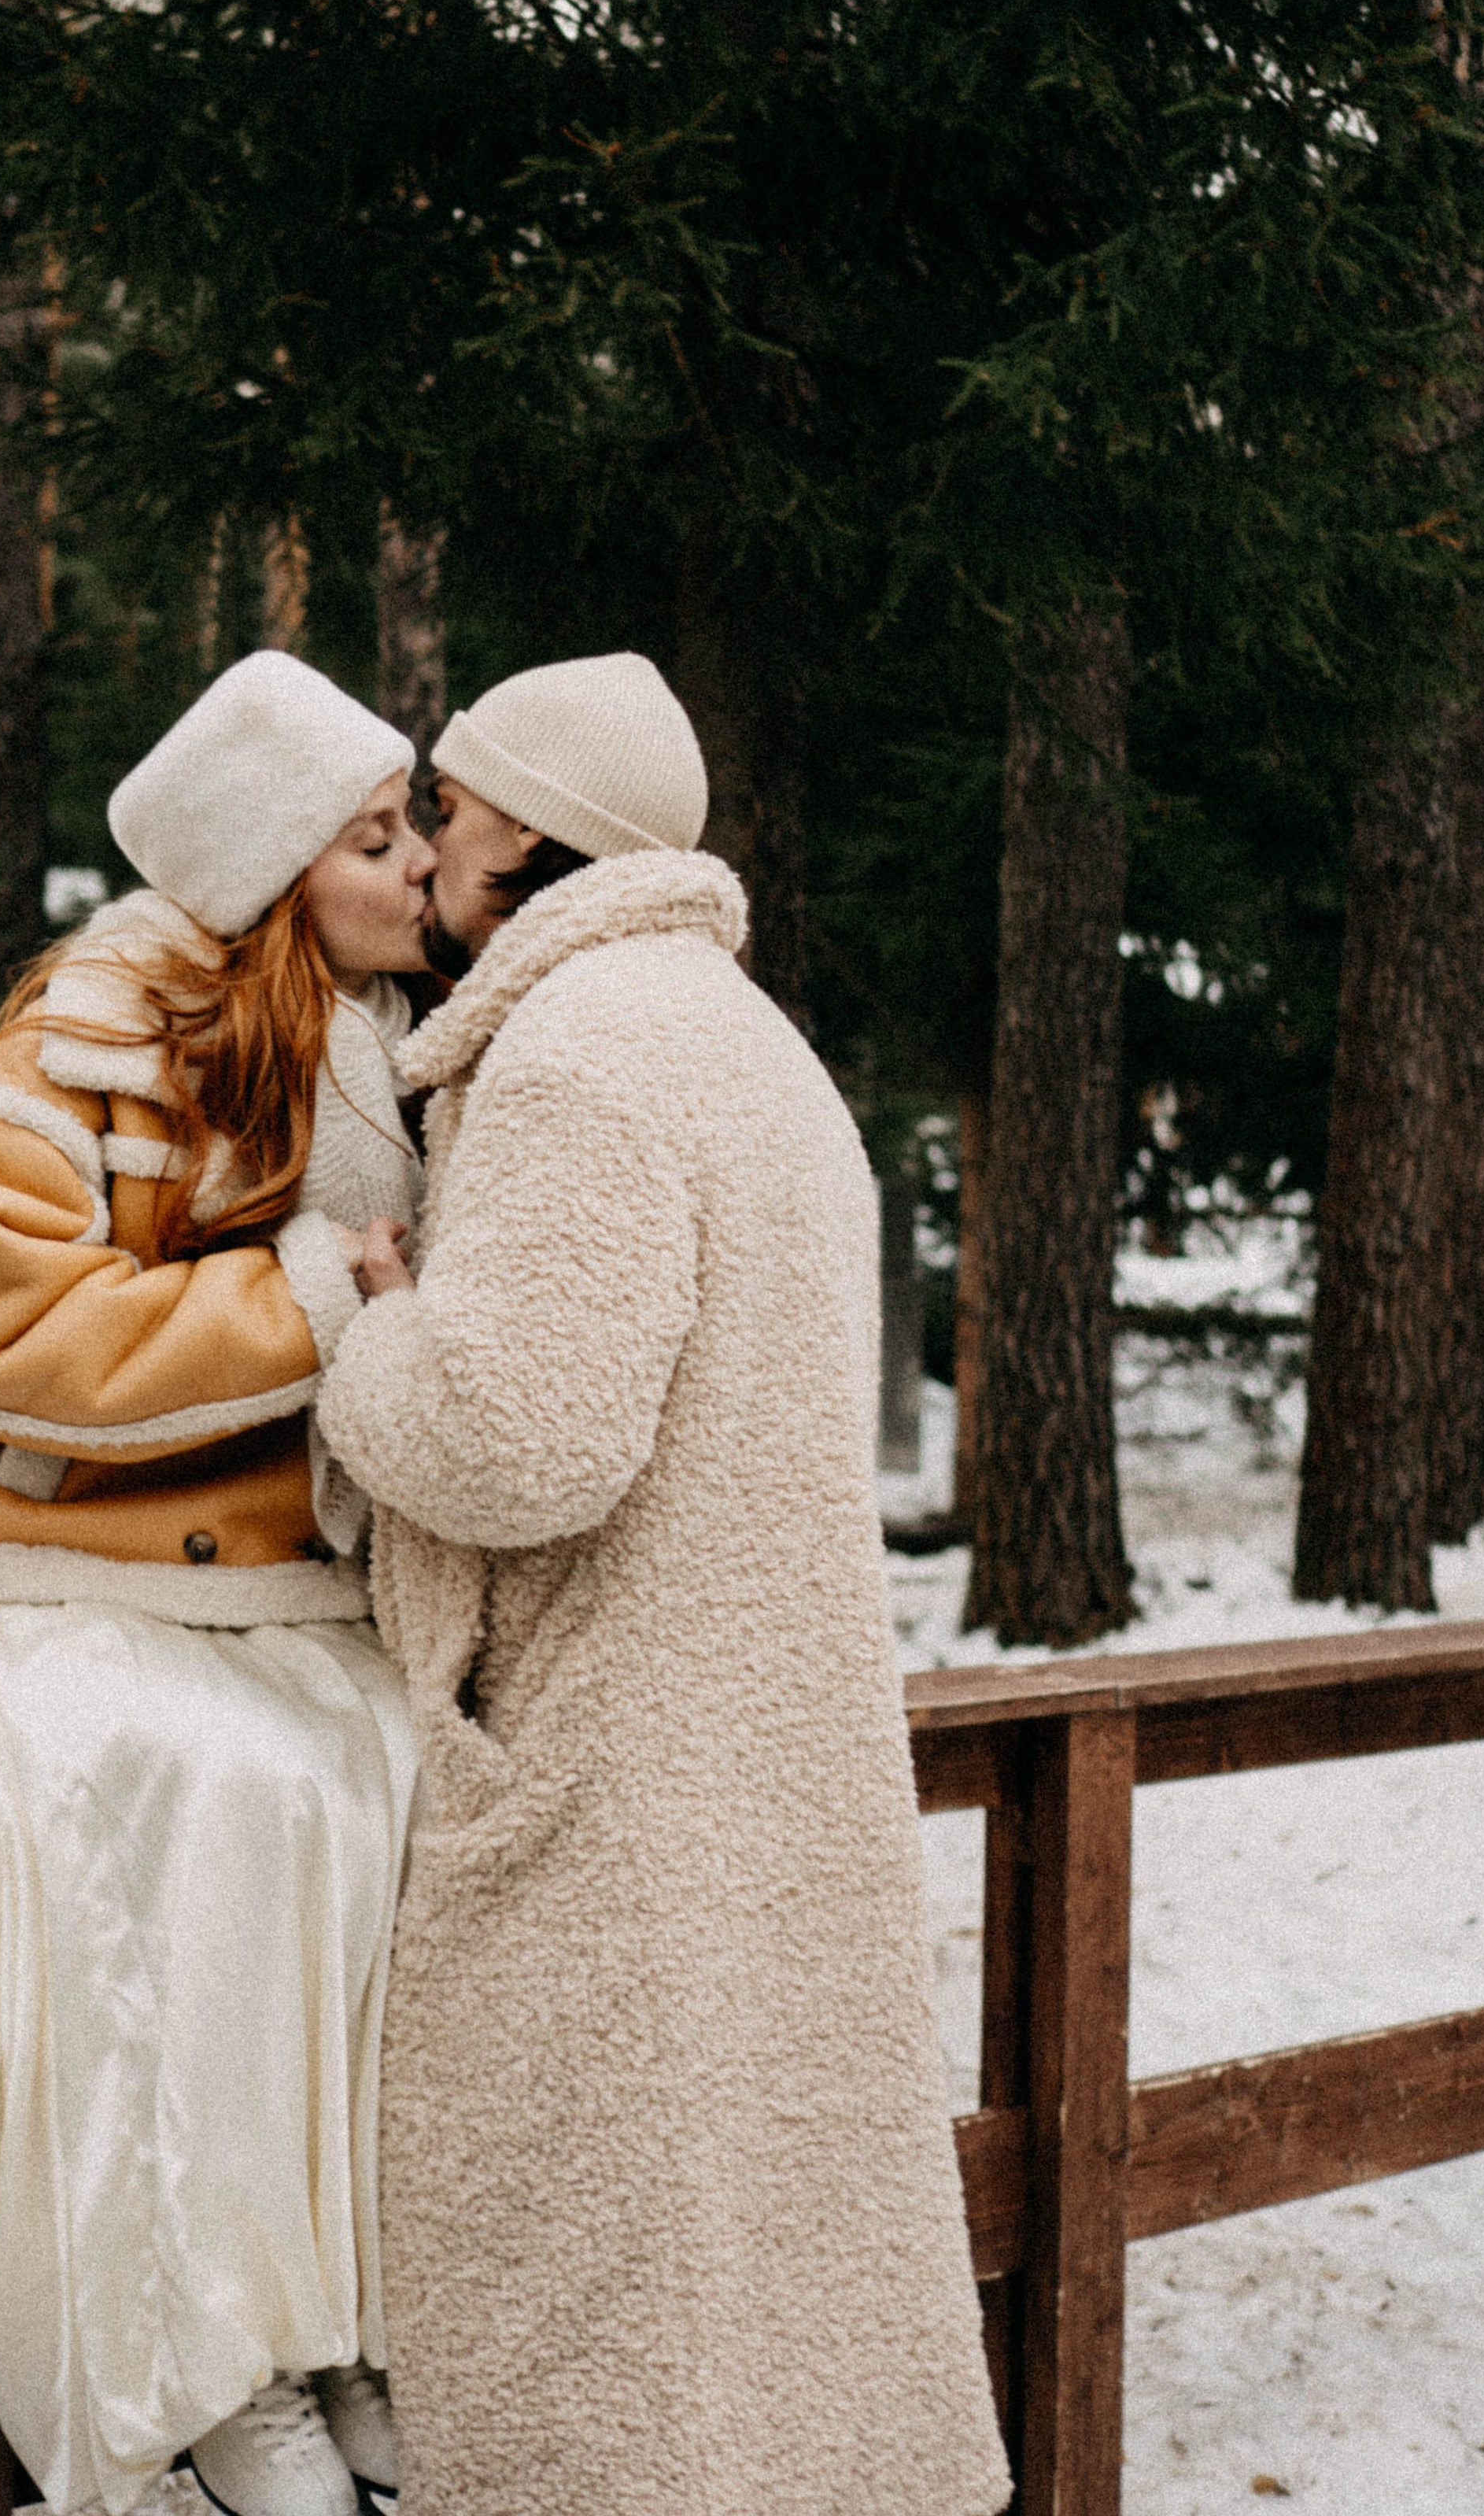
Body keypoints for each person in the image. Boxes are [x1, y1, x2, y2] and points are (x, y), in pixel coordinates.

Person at [318, 652, 1010, 2516]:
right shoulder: (744, 1041)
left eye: (449, 803)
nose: (428, 840)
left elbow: (518, 1440)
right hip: (755, 1744)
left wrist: (379, 1326)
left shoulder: (573, 1053)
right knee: (751, 2290)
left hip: (613, 1763)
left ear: (531, 828)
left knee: (602, 2307)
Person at [0, 652, 437, 2516]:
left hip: (244, 1589)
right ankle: (212, 2358)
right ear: (271, 872)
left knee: (393, 1788)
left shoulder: (380, 1046)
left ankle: (338, 2309)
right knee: (207, 1801)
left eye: (409, 830)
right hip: (23, 1568)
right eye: (371, 838)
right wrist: (306, 1295)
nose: (415, 865)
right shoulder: (76, 1044)